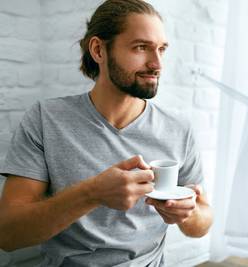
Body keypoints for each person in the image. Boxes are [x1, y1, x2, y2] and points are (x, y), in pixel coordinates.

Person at [0, 0, 213, 266]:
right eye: (141, 48)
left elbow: (203, 222)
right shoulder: (46, 119)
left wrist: (186, 212)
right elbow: (8, 234)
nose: (157, 64)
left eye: (161, 49)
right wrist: (92, 194)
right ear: (98, 50)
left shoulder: (178, 128)